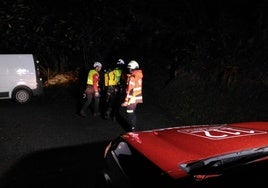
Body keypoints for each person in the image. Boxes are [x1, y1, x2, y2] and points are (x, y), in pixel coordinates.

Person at [121, 60, 143, 131]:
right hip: (136, 97)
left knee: (130, 113)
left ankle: (133, 129)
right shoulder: (138, 75)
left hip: (132, 98)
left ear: (133, 68)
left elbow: (130, 90)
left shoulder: (133, 77)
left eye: (130, 68)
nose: (129, 70)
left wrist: (126, 101)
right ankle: (133, 128)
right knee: (132, 113)